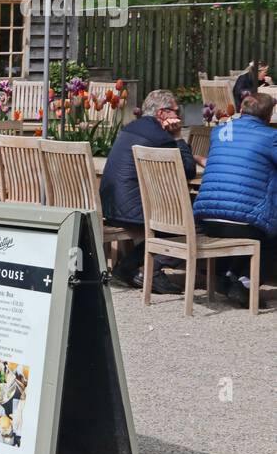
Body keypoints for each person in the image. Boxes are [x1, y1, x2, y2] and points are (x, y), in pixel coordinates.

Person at [100, 88, 197, 293]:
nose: (178, 116)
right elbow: (188, 170)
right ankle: (148, 270)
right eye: (175, 111)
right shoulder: (161, 137)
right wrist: (179, 136)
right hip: (133, 212)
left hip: (111, 206)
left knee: (174, 219)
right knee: (189, 222)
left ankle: (129, 267)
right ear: (162, 113)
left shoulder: (130, 128)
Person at [193, 92, 277, 308]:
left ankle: (228, 274)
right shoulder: (270, 137)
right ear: (268, 117)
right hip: (244, 223)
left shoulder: (219, 131)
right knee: (269, 233)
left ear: (241, 110)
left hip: (207, 218)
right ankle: (246, 283)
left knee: (253, 219)